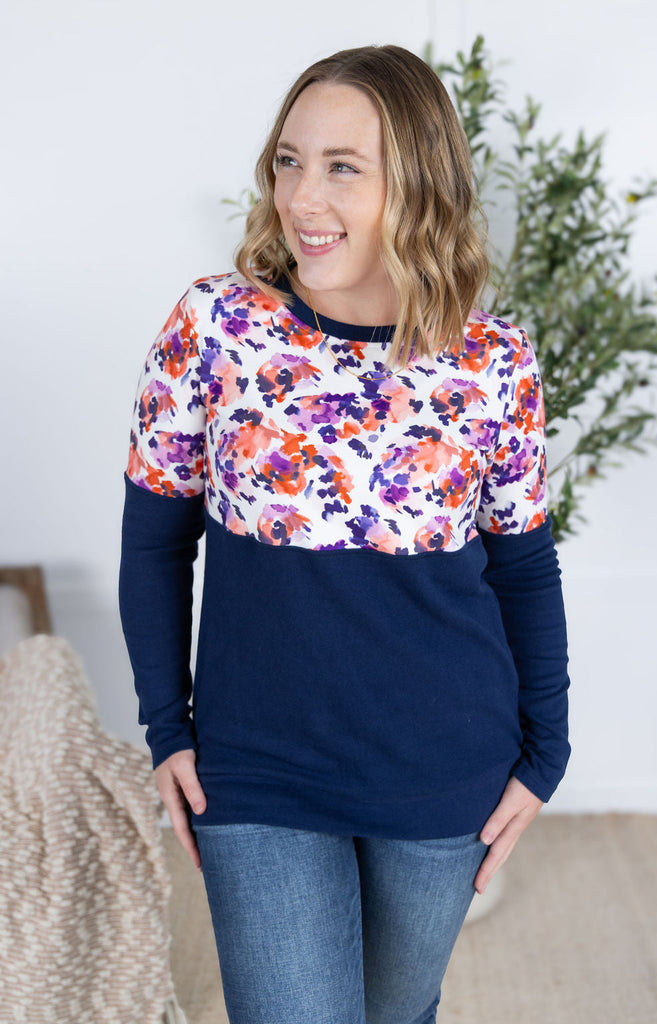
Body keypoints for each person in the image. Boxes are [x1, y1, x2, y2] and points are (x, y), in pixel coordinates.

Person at [119, 43, 570, 1024]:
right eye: (289, 161)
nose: (302, 198)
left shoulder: (492, 361)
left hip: (440, 768)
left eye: (341, 168)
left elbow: (523, 568)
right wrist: (166, 727)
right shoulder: (213, 328)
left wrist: (546, 753)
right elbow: (154, 541)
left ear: (416, 186)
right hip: (257, 764)